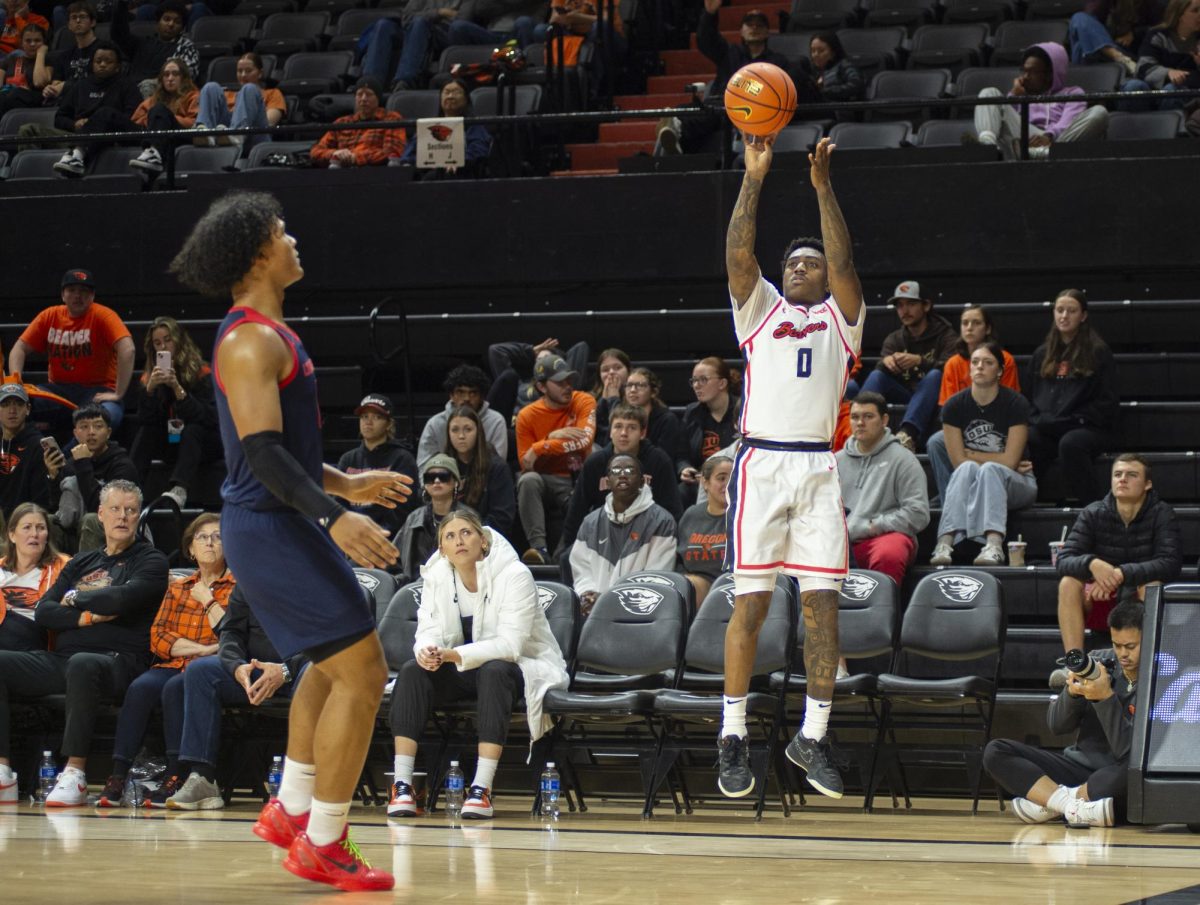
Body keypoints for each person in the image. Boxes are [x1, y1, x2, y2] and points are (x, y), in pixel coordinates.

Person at [171, 191, 411, 890]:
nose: (293, 239)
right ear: (256, 255)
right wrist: (333, 515)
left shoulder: (269, 333)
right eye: (281, 232)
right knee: (363, 673)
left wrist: (347, 484)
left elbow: (284, 456)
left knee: (332, 665)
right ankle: (324, 840)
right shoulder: (249, 339)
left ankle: (293, 807)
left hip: (281, 518)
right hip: (269, 525)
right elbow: (266, 458)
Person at [718, 136, 863, 802]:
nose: (807, 268)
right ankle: (733, 732)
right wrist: (754, 180)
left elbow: (846, 259)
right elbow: (738, 254)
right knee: (750, 603)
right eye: (796, 263)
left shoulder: (842, 320)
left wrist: (823, 187)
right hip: (763, 462)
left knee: (822, 608)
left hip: (816, 469)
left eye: (814, 262)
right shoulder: (760, 310)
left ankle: (814, 734)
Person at [387, 511, 568, 820]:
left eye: (466, 533)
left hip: (522, 667)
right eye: (450, 536)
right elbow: (426, 629)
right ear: (442, 548)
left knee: (494, 670)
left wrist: (454, 656)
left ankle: (481, 788)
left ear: (483, 541)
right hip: (462, 667)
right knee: (412, 671)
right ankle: (402, 785)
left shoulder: (514, 574)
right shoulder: (436, 576)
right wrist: (425, 651)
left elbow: (511, 645)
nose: (459, 541)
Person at [0, 480, 169, 807]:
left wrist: (74, 598)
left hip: (120, 662)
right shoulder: (81, 562)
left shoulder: (151, 561)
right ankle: (4, 770)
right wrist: (85, 615)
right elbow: (45, 612)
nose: (123, 516)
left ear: (138, 517)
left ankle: (74, 773)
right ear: (101, 515)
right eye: (116, 509)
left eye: (131, 510)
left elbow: (122, 598)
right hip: (63, 660)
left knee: (83, 663)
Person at [97, 512, 234, 807]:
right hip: (174, 663)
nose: (210, 543)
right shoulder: (177, 588)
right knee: (141, 686)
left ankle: (176, 774)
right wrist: (204, 648)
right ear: (190, 549)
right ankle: (118, 775)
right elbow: (158, 638)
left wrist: (206, 602)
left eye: (218, 536)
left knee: (177, 688)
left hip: (209, 670)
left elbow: (231, 636)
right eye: (202, 537)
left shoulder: (238, 588)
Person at [983, 600, 1144, 828]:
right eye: (1117, 645)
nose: (1122, 654)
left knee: (1134, 771)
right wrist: (1073, 692)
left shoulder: (1162, 676)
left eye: (1130, 646)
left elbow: (1128, 751)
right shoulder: (1098, 660)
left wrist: (1104, 697)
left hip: (1116, 776)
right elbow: (1057, 726)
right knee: (995, 751)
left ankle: (1050, 802)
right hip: (1078, 769)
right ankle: (1071, 807)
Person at [159, 583, 309, 810]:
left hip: (303, 667)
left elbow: (331, 640)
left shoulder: (317, 576)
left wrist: (286, 670)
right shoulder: (250, 580)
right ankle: (203, 778)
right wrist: (236, 667)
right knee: (201, 671)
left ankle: (306, 780)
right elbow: (231, 633)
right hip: (256, 669)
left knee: (316, 675)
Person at [1055, 454, 1180, 655]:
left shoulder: (1162, 513)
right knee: (1068, 583)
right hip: (1100, 596)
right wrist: (1093, 564)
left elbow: (1170, 563)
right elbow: (1063, 560)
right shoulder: (1092, 512)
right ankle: (1075, 662)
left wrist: (1120, 574)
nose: (1122, 479)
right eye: (1117, 474)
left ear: (1147, 484)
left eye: (1131, 475)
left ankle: (1145, 661)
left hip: (1135, 595)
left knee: (1153, 587)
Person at [929, 342, 1037, 567]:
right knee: (968, 468)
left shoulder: (1016, 403)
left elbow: (1011, 461)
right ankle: (945, 542)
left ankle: (994, 546)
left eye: (988, 363)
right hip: (975, 480)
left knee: (988, 469)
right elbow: (959, 461)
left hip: (1019, 482)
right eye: (975, 362)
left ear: (999, 371)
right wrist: (991, 459)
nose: (980, 367)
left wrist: (973, 453)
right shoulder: (953, 406)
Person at [655, 0, 789, 155]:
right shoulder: (729, 53)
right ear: (741, 32)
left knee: (711, 112)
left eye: (759, 25)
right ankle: (674, 133)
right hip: (721, 106)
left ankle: (676, 129)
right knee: (687, 110)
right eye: (749, 25)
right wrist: (710, 14)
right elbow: (706, 40)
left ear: (767, 33)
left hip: (752, 110)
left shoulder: (777, 61)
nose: (754, 28)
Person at [9, 267, 136, 430]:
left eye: (84, 291)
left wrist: (118, 393)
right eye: (72, 290)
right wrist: (16, 383)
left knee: (107, 418)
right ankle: (37, 450)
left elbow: (128, 349)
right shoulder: (50, 315)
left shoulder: (104, 315)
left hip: (97, 392)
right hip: (57, 392)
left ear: (93, 296)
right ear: (63, 295)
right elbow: (19, 349)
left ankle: (66, 455)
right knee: (12, 407)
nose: (78, 295)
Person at [1025, 288, 1119, 505]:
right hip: (1050, 426)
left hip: (1087, 426)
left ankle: (1093, 507)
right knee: (1029, 439)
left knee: (1071, 443)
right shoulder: (1041, 354)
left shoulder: (1098, 352)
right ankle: (1030, 501)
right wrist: (1039, 420)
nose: (1064, 316)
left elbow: (1107, 401)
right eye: (1059, 310)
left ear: (1083, 316)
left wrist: (1075, 419)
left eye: (1071, 311)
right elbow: (1028, 398)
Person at [925, 305, 1021, 504]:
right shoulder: (953, 363)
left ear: (987, 329)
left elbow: (1009, 404)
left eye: (976, 323)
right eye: (965, 323)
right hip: (962, 428)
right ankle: (949, 500)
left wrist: (971, 452)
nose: (969, 327)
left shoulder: (1006, 360)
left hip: (997, 428)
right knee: (936, 441)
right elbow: (949, 411)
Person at [836, 392, 929, 587]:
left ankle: (884, 613)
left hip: (883, 538)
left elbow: (918, 513)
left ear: (884, 420)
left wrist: (872, 526)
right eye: (855, 417)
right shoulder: (836, 461)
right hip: (843, 542)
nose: (860, 423)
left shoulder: (904, 460)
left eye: (868, 417)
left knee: (890, 551)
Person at [560, 401, 682, 549]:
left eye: (631, 427)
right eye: (618, 426)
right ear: (610, 432)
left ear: (642, 433)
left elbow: (673, 509)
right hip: (604, 535)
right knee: (567, 558)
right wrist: (570, 547)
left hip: (646, 536)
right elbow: (577, 510)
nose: (624, 433)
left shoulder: (659, 461)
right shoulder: (596, 462)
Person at [129, 316, 222, 509]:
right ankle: (129, 487)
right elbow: (145, 419)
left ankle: (179, 488)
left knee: (193, 429)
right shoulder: (149, 378)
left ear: (179, 341)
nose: (163, 346)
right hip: (171, 442)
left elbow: (210, 418)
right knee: (147, 431)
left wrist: (178, 389)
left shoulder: (201, 372)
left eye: (168, 340)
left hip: (202, 444)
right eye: (157, 343)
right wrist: (150, 391)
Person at [568, 454, 677, 613]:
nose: (622, 474)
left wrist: (608, 600)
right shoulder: (590, 523)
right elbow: (581, 570)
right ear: (607, 482)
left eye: (629, 470)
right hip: (594, 612)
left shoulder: (662, 521)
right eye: (616, 470)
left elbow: (657, 577)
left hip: (641, 613)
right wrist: (588, 595)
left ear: (642, 481)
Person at [514, 354, 596, 564]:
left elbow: (584, 441)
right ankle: (539, 550)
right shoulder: (527, 415)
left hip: (576, 476)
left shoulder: (584, 400)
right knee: (527, 480)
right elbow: (526, 463)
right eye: (559, 383)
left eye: (569, 380)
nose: (567, 387)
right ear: (542, 387)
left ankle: (561, 555)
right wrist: (552, 437)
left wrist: (543, 445)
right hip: (545, 478)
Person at [859, 280, 957, 452]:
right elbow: (880, 373)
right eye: (900, 306)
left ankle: (907, 435)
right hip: (905, 393)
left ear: (926, 306)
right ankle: (856, 432)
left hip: (934, 397)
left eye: (911, 304)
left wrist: (920, 361)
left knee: (935, 375)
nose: (905, 310)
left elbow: (953, 368)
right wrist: (884, 364)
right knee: (876, 376)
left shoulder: (946, 334)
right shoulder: (894, 338)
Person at [973, 42, 1109, 160]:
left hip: (1056, 142)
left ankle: (1047, 153)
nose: (1025, 77)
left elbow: (1068, 122)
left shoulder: (1072, 93)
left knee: (1099, 112)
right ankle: (988, 146)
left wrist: (1049, 137)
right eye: (1024, 71)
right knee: (989, 93)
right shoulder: (1021, 93)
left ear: (1050, 74)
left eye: (1032, 72)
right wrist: (1014, 96)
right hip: (1025, 140)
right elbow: (1007, 123)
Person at [46, 404, 140, 552]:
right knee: (48, 521)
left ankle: (91, 573)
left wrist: (84, 465)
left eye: (98, 426)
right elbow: (59, 509)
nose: (91, 432)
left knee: (91, 519)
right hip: (77, 533)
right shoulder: (72, 463)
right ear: (75, 434)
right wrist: (54, 477)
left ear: (108, 432)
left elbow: (103, 510)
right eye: (84, 427)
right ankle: (51, 574)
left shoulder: (122, 465)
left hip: (115, 535)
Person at [335, 394, 419, 538]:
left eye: (376, 417)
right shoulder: (347, 459)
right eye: (364, 417)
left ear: (389, 424)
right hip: (352, 536)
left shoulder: (402, 459)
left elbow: (402, 510)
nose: (368, 422)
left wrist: (374, 534)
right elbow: (337, 502)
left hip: (389, 538)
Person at [0, 503, 69, 653]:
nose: (34, 534)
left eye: (41, 528)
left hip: (35, 640)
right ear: (12, 535)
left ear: (47, 536)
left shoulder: (64, 567)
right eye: (27, 527)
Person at [395, 454, 475, 578]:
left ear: (456, 483)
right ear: (425, 485)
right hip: (415, 589)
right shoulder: (414, 518)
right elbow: (395, 559)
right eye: (430, 478)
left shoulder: (469, 517)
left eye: (443, 477)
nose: (436, 481)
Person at [397, 78, 492, 179]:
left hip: (460, 172)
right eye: (446, 92)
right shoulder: (429, 126)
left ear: (466, 99)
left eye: (456, 92)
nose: (450, 96)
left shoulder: (473, 125)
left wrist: (458, 161)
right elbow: (410, 153)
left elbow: (478, 150)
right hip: (427, 170)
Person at [417, 364, 507, 469]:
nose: (466, 398)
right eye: (460, 392)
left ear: (482, 396)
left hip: (484, 480)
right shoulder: (435, 423)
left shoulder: (496, 421)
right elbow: (423, 466)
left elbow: (499, 466)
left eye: (473, 393)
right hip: (443, 481)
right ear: (451, 395)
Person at [444, 405, 515, 538]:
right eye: (455, 430)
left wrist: (468, 534)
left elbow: (502, 518)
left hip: (486, 540)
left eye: (468, 429)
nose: (461, 436)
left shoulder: (497, 468)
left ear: (479, 432)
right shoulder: (443, 468)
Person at [193, 51, 286, 150]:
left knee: (249, 89)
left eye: (248, 71)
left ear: (260, 73)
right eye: (239, 71)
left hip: (255, 136)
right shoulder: (228, 94)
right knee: (210, 87)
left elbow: (270, 122)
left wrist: (243, 114)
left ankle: (236, 133)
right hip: (223, 136)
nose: (243, 75)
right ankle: (204, 134)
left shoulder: (273, 93)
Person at [309, 77, 404, 169]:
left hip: (374, 174)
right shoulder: (342, 122)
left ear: (378, 98)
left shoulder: (391, 119)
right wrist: (334, 153)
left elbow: (392, 152)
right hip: (340, 174)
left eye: (369, 94)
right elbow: (315, 152)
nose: (363, 99)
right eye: (359, 94)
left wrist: (355, 157)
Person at [680, 356, 743, 493]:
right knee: (683, 491)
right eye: (694, 381)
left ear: (722, 383)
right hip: (701, 481)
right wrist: (685, 468)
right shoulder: (692, 412)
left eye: (703, 380)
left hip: (734, 479)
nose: (696, 385)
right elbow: (681, 454)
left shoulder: (741, 410)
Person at [128, 57, 199, 177]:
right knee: (107, 114)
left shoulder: (194, 96)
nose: (170, 78)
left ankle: (155, 154)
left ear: (184, 78)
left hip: (178, 135)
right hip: (149, 133)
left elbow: (194, 123)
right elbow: (136, 121)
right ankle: (84, 153)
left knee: (159, 110)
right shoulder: (154, 99)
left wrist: (167, 118)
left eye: (175, 74)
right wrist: (156, 120)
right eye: (166, 75)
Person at [110, 0, 200, 94]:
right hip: (130, 93)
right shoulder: (141, 43)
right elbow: (118, 34)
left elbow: (185, 77)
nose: (171, 24)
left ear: (182, 28)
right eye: (166, 19)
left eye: (177, 22)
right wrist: (122, 4)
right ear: (158, 22)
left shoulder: (185, 47)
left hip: (161, 96)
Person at [676, 454, 733, 601]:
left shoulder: (746, 516)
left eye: (734, 478)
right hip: (692, 584)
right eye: (721, 478)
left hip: (730, 586)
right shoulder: (691, 515)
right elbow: (679, 560)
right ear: (705, 482)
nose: (728, 484)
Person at [1125, 0, 1200, 108]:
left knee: (1171, 90)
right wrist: (1168, 72)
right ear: (1180, 15)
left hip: (1186, 91)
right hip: (1154, 85)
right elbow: (1142, 67)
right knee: (1134, 86)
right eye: (1195, 11)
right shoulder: (1158, 35)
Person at [622, 366, 687, 475]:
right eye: (629, 385)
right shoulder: (619, 417)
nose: (633, 390)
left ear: (653, 392)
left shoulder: (667, 420)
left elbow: (664, 458)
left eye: (640, 385)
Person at [0, 384, 52, 515]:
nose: (12, 410)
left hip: (26, 520)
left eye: (18, 404)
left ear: (28, 409)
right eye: (5, 404)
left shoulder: (38, 446)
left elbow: (41, 500)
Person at [1069, 0, 1158, 73]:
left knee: (1081, 38)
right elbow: (1086, 27)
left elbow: (1162, 29)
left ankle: (1117, 57)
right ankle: (1117, 57)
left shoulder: (1149, 3)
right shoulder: (1106, 4)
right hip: (1103, 51)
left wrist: (1134, 33)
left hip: (1130, 54)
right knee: (1079, 19)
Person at [43, 1, 98, 101]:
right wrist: (50, 89)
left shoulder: (103, 49)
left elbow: (99, 80)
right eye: (73, 17)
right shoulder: (65, 55)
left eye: (82, 17)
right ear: (69, 25)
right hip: (68, 101)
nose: (78, 20)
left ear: (93, 22)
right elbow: (56, 83)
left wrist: (66, 85)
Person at [0, 24, 51, 116]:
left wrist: (40, 53)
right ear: (22, 43)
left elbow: (39, 82)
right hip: (6, 101)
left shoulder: (48, 61)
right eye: (28, 41)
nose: (32, 44)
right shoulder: (10, 60)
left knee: (15, 94)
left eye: (37, 40)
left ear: (44, 42)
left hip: (33, 104)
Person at [801, 31, 864, 105]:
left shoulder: (845, 65)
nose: (815, 55)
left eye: (821, 51)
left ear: (833, 52)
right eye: (813, 51)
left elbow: (856, 85)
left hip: (838, 110)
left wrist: (825, 91)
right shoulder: (811, 72)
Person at [589, 347, 630, 446]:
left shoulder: (634, 397)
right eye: (605, 370)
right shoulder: (590, 398)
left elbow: (620, 431)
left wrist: (613, 399)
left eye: (617, 368)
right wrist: (603, 401)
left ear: (628, 371)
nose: (611, 372)